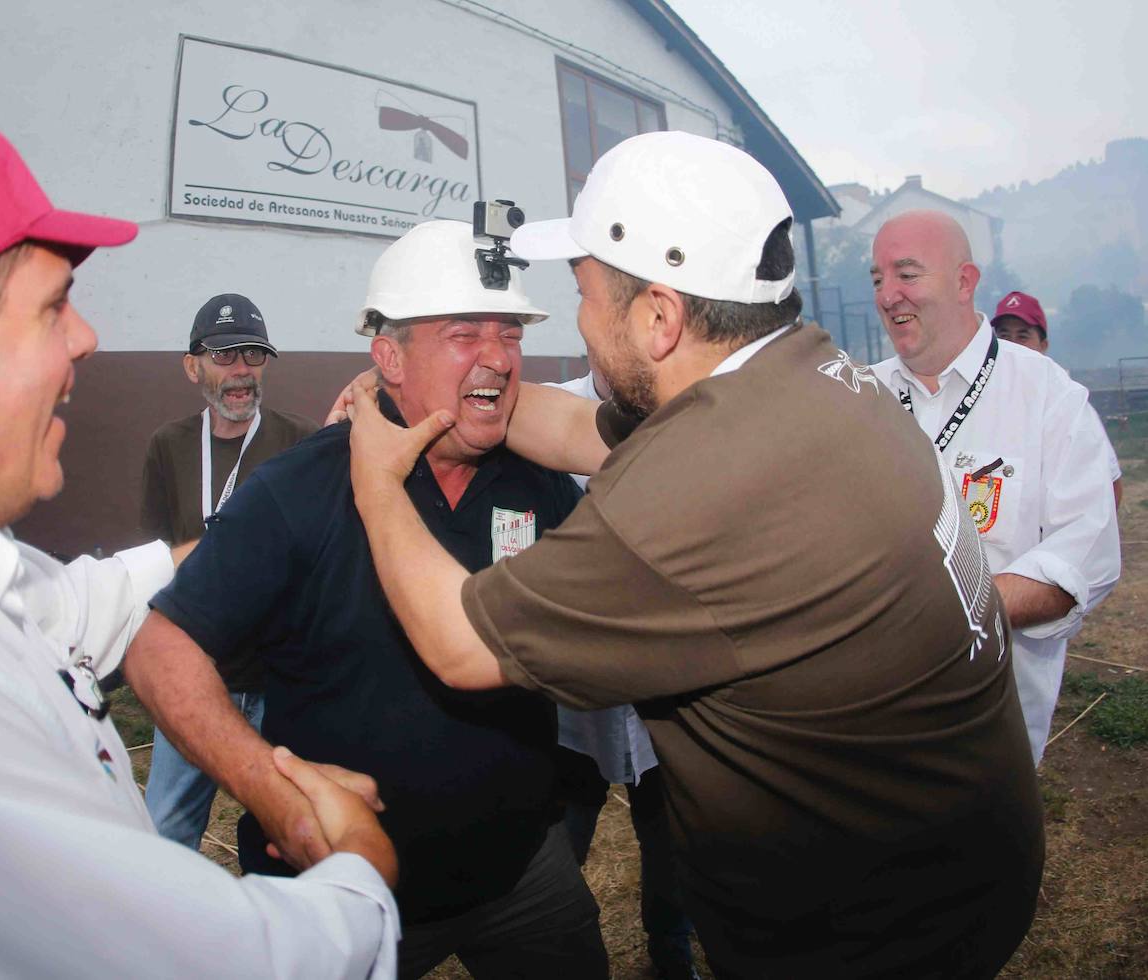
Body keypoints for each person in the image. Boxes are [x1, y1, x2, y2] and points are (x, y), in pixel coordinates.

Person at [341, 131, 1045, 980]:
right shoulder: (802, 375)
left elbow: (459, 644)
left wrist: (377, 476)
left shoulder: (691, 494)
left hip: (867, 931)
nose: (579, 320)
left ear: (660, 317)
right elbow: (573, 427)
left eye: (585, 293)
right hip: (960, 859)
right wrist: (441, 391)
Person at [0, 116, 399, 979]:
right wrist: (361, 869)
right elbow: (203, 961)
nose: (87, 339)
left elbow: (82, 601)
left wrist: (264, 518)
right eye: (54, 308)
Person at [122, 220, 609, 980]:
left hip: (522, 874)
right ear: (389, 357)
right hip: (340, 896)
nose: (498, 356)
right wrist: (268, 788)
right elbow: (158, 647)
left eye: (509, 332)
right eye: (464, 332)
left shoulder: (535, 481)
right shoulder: (298, 490)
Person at [872, 213, 1121, 763]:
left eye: (907, 274)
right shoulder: (858, 396)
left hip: (989, 743)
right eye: (876, 279)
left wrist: (942, 611)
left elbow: (1087, 553)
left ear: (964, 281)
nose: (888, 295)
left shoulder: (1046, 397)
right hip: (871, 731)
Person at [140, 292, 317, 850]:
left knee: (295, 829)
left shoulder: (302, 442)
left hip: (281, 680)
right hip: (197, 676)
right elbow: (155, 555)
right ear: (192, 367)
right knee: (163, 830)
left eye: (253, 355)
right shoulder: (168, 446)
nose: (240, 370)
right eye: (223, 356)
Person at [546, 367, 699, 980]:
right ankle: (552, 953)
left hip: (664, 695)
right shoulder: (550, 415)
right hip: (573, 696)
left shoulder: (690, 411)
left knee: (671, 847)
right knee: (558, 849)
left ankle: (671, 954)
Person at [991, 289, 1123, 508]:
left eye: (1023, 336)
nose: (1012, 345)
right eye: (1004, 336)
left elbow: (1110, 486)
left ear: (1043, 346)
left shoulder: (1067, 403)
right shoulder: (979, 402)